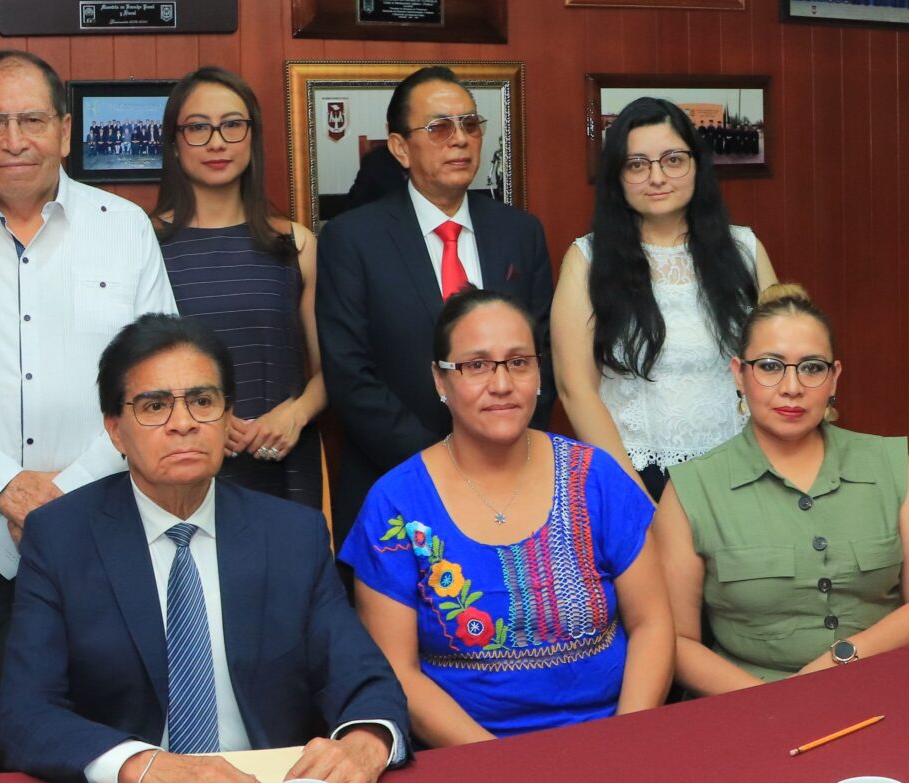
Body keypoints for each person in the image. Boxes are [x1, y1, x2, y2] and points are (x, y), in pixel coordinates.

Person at [0, 315, 408, 783]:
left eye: (203, 402)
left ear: (227, 416)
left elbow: (366, 682)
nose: (183, 422)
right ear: (115, 431)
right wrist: (144, 768)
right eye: (154, 406)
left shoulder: (291, 536)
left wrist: (365, 742)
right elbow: (24, 715)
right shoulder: (61, 538)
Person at [0, 49, 176, 722]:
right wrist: (4, 483)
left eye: (31, 120)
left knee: (105, 729)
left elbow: (157, 379)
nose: (13, 140)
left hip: (103, 533)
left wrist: (60, 497)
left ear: (65, 131)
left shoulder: (124, 229)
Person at [341, 291, 671, 744]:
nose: (501, 384)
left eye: (519, 362)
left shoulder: (596, 477)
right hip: (468, 760)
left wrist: (624, 740)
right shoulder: (397, 504)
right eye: (476, 365)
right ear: (440, 380)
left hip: (613, 740)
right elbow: (398, 671)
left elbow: (652, 623)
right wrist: (501, 765)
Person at [655, 285, 909, 693]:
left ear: (834, 378)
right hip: (747, 701)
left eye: (812, 368)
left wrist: (844, 658)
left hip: (887, 685)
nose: (792, 387)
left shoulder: (890, 465)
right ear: (739, 374)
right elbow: (675, 640)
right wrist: (773, 704)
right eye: (770, 366)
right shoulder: (692, 489)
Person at [318, 65, 555, 535]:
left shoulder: (519, 232)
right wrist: (441, 466)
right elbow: (350, 374)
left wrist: (498, 452)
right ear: (401, 148)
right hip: (395, 483)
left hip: (510, 483)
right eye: (439, 128)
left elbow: (544, 353)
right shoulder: (353, 238)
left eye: (470, 125)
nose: (460, 140)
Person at [554, 98, 777, 498]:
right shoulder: (586, 260)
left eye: (673, 159)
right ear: (617, 177)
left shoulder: (745, 249)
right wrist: (633, 495)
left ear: (696, 165)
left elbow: (780, 363)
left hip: (743, 468)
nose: (657, 177)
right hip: (640, 475)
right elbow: (576, 390)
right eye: (637, 164)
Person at [152, 67, 325, 509]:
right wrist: (201, 418)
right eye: (197, 128)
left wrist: (296, 413)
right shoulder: (142, 243)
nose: (216, 141)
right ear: (173, 142)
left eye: (232, 125)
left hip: (281, 460)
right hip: (177, 462)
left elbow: (334, 370)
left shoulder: (298, 244)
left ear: (252, 137)